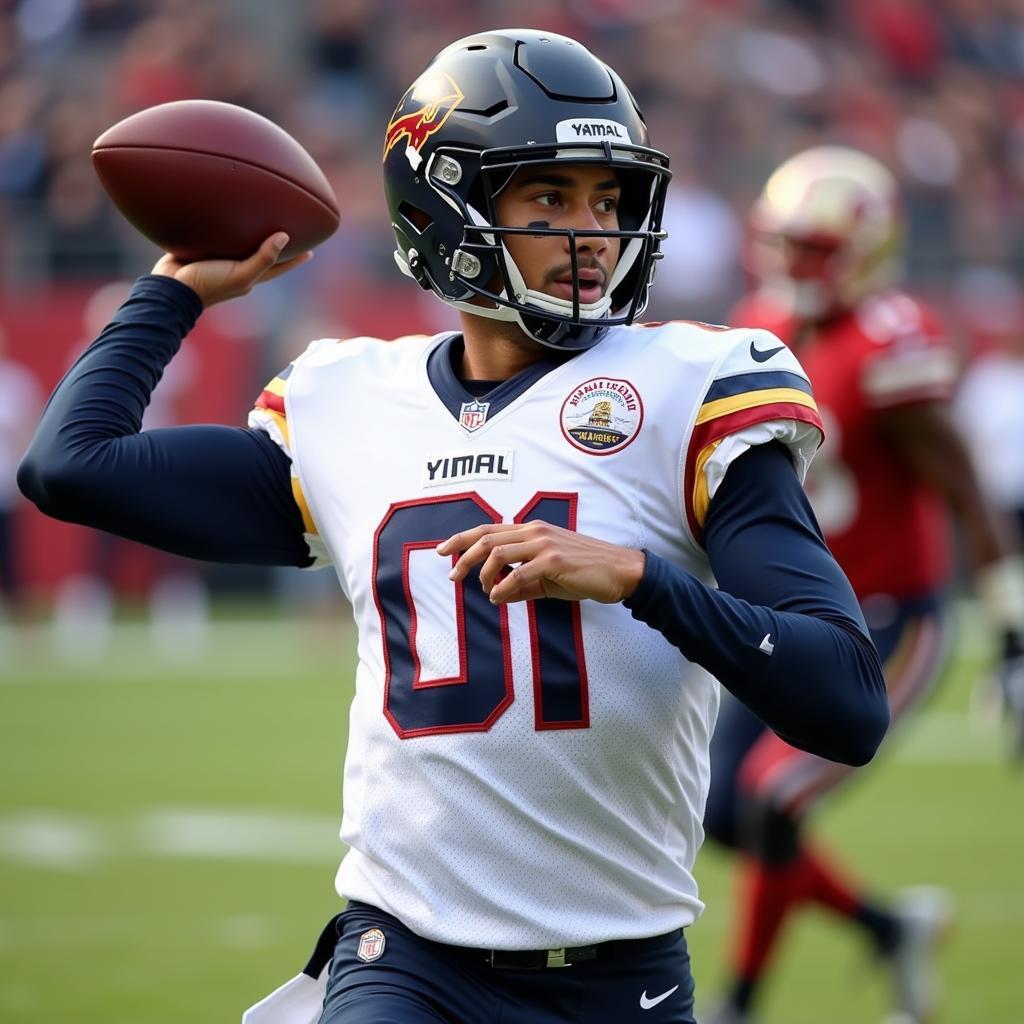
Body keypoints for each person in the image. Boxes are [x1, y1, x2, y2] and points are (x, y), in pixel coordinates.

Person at [17, 32, 889, 1024]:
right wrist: (172, 290)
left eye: (606, 199)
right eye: (549, 197)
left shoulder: (692, 387)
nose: (593, 231)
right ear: (446, 210)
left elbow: (847, 702)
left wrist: (640, 577)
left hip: (618, 973)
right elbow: (70, 466)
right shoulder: (350, 399)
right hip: (404, 956)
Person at [704, 146, 1024, 1024]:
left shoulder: (893, 343)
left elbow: (965, 490)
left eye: (814, 248)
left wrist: (1012, 635)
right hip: (783, 616)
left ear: (864, 249)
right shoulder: (760, 323)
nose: (793, 266)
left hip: (888, 622)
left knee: (771, 797)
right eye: (784, 244)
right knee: (720, 810)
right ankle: (891, 929)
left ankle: (735, 1004)